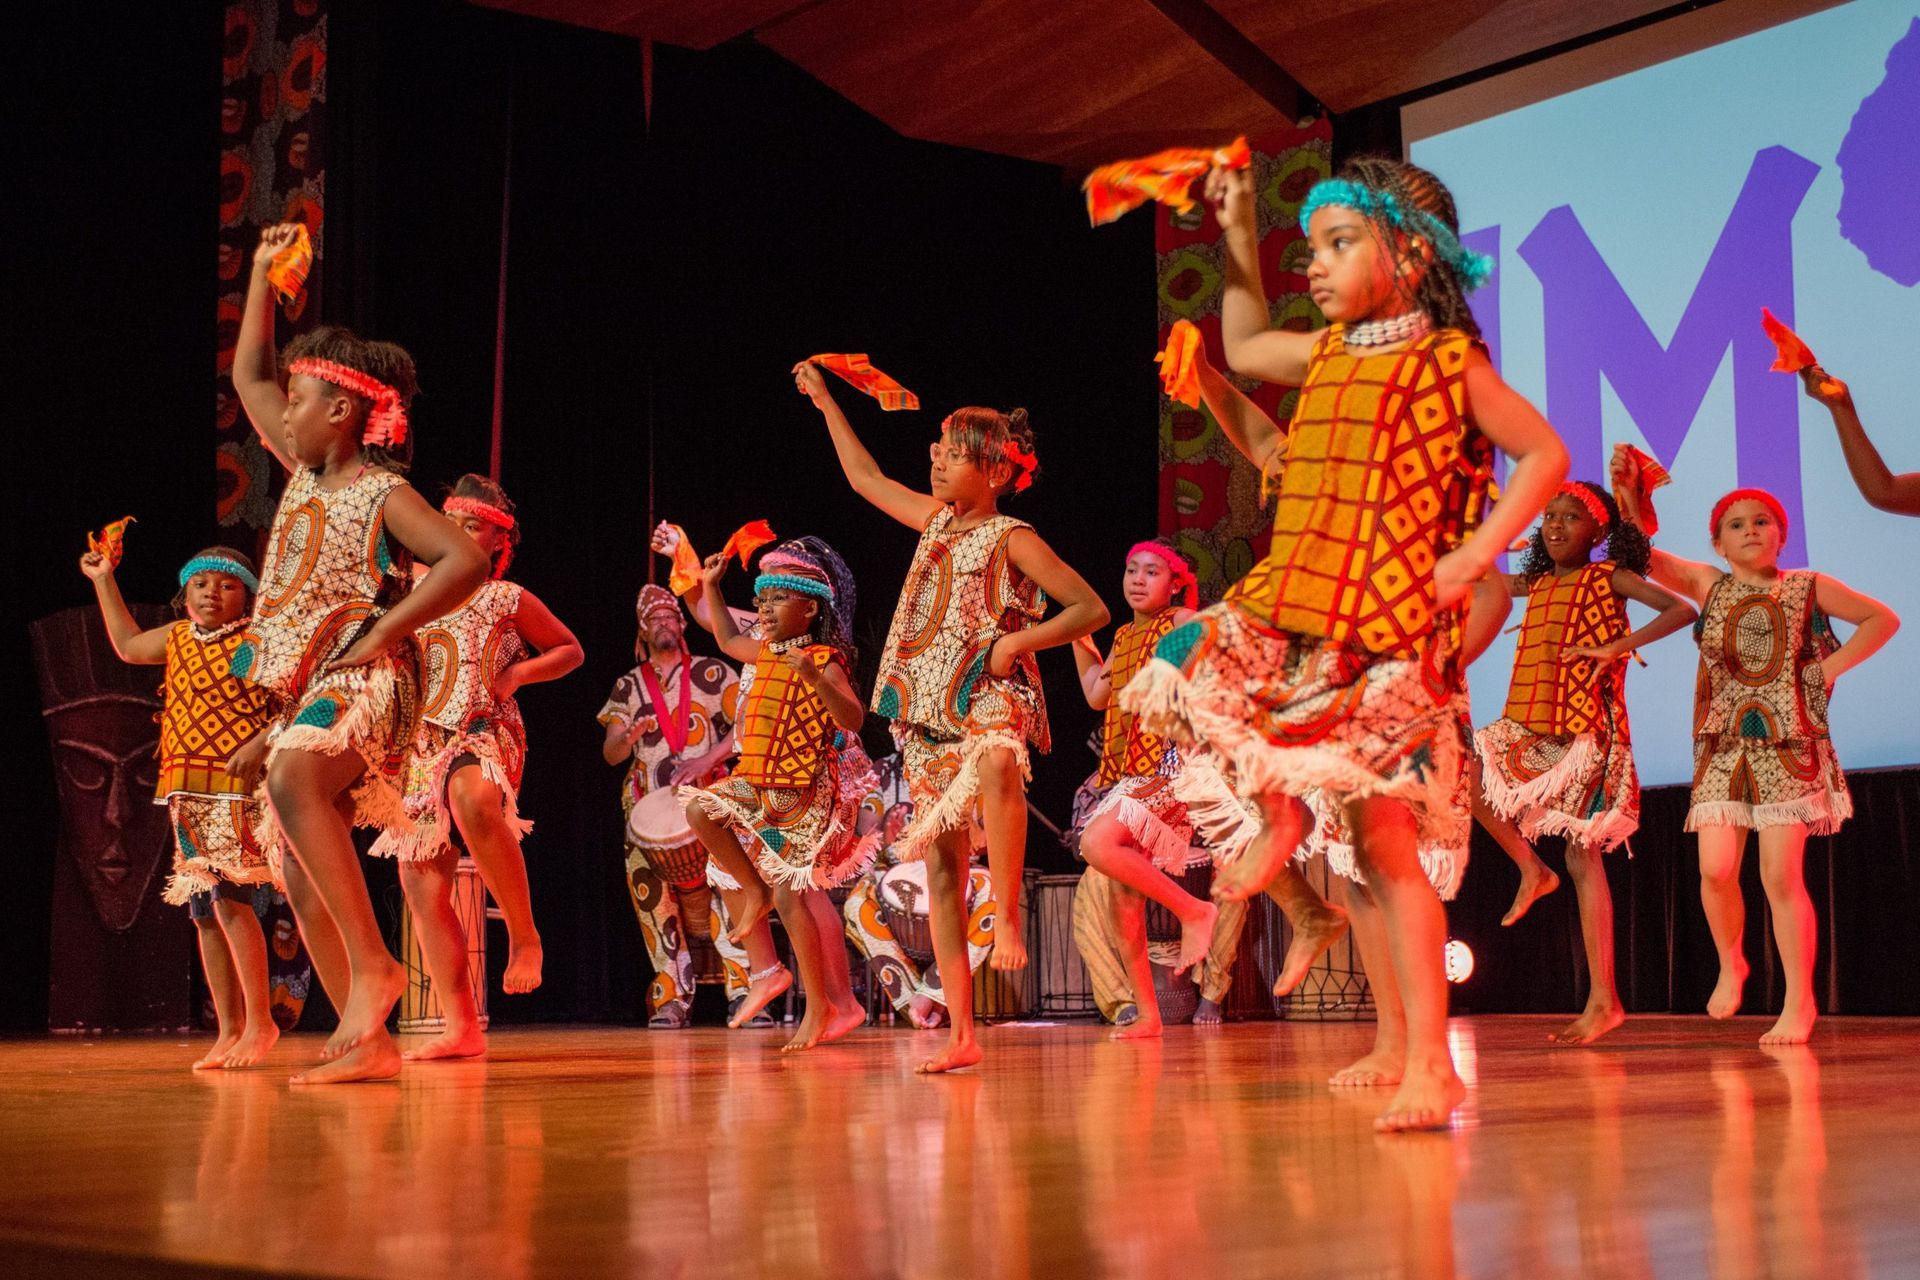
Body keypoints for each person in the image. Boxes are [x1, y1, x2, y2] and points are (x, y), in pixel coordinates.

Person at [1123, 157, 1569, 1131]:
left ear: (1409, 254)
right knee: (1192, 662)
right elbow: (1242, 339)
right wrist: (1237, 235)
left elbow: (1545, 453)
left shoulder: (1449, 364)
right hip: (1312, 612)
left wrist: (1481, 553)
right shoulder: (1326, 359)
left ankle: (1430, 1061)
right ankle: (1285, 828)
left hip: (1398, 632)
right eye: (1309, 247)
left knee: (1384, 848)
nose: (1315, 267)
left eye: (1337, 244)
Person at [229, 222, 491, 1083]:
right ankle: (365, 1036)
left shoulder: (384, 491)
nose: (284, 411)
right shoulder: (303, 476)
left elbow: (466, 558)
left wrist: (387, 629)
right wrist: (264, 275)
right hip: (311, 685)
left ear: (342, 411)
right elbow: (249, 374)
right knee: (298, 854)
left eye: (301, 400)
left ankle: (378, 969)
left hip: (367, 677)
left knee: (294, 778)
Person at [801, 359, 1108, 1071]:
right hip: (928, 708)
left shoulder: (1013, 536)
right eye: (936, 451)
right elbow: (866, 481)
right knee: (941, 868)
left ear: (995, 471)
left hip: (987, 687)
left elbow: (1089, 608)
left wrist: (1017, 643)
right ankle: (961, 1034)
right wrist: (824, 402)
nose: (936, 461)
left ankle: (1003, 911)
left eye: (952, 453)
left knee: (1001, 759)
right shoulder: (936, 523)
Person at [1614, 449, 1897, 1045]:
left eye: (1762, 521)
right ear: (1717, 542)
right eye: (1736, 524)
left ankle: (1799, 1002)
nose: (1750, 531)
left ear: (1781, 536)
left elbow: (1881, 619)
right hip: (1723, 746)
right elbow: (1637, 553)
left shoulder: (1807, 586)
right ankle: (1733, 961)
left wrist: (1829, 669)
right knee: (1716, 870)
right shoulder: (1706, 583)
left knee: (1778, 874)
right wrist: (1628, 497)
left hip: (1790, 745)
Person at [1472, 481, 1696, 1045]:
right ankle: (1530, 869)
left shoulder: (1608, 578)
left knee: (1582, 854)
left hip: (1585, 733)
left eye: (1571, 516)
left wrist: (1616, 647)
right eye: (1548, 516)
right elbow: (1476, 575)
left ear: (1599, 531)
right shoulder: (1536, 582)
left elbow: (1681, 608)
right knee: (1462, 772)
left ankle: (1604, 1001)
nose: (1555, 525)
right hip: (1528, 723)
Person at [372, 473, 583, 1059]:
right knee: (421, 880)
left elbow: (569, 649)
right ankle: (461, 1025)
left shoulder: (504, 598)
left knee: (473, 800)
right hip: (417, 741)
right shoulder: (408, 592)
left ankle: (524, 935)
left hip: (483, 727)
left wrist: (517, 674)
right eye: (450, 523)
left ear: (497, 541)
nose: (458, 534)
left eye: (473, 527)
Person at [81, 544, 280, 1069]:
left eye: (228, 584)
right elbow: (125, 645)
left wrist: (260, 744)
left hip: (235, 786)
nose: (213, 593)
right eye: (201, 584)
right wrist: (104, 579)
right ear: (185, 593)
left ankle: (261, 1022)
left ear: (247, 596)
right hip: (185, 787)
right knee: (204, 911)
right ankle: (230, 1027)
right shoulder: (177, 638)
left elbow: (290, 706)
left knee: (232, 900)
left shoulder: (256, 643)